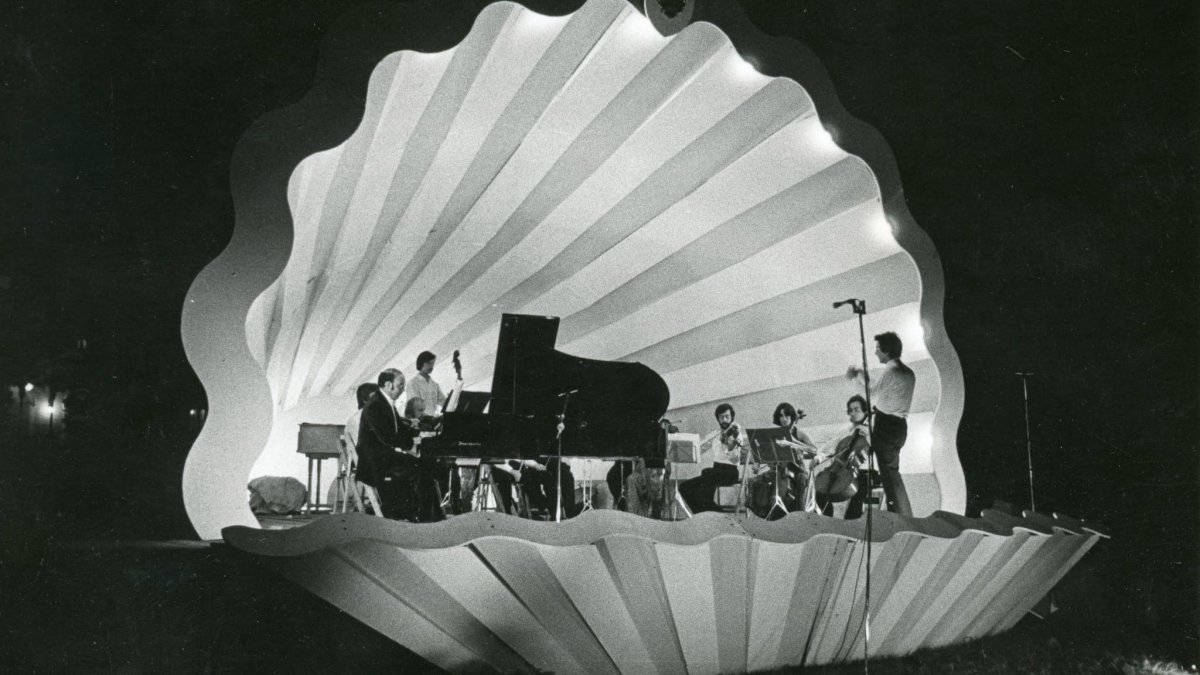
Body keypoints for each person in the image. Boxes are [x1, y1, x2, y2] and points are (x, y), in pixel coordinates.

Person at [358, 368, 442, 522]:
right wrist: (413, 444)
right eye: (401, 385)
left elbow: (400, 430)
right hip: (375, 462)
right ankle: (427, 519)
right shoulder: (376, 405)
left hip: (382, 457)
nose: (403, 389)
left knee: (423, 465)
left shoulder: (384, 402)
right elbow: (388, 438)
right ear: (389, 385)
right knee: (421, 468)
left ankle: (429, 516)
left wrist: (418, 437)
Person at [846, 331, 914, 516]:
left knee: (889, 477)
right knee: (893, 474)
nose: (875, 353)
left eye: (877, 349)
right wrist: (863, 375)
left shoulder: (890, 371)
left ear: (886, 350)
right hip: (900, 427)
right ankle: (902, 515)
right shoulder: (907, 373)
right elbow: (881, 389)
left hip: (886, 426)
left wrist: (855, 378)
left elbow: (872, 395)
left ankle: (900, 517)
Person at [678, 403, 746, 513]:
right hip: (716, 471)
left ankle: (712, 511)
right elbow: (699, 450)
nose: (724, 420)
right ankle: (703, 512)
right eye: (721, 417)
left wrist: (729, 448)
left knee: (707, 474)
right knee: (684, 487)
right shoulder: (715, 434)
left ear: (732, 418)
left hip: (730, 472)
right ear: (718, 419)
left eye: (727, 417)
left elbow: (735, 460)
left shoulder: (736, 435)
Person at [814, 395, 871, 518]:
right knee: (820, 489)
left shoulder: (871, 431)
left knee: (859, 491)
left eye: (856, 409)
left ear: (865, 412)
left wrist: (868, 434)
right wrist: (819, 456)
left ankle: (851, 526)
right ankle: (826, 521)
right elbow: (827, 447)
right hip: (839, 469)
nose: (853, 413)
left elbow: (880, 447)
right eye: (850, 410)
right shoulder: (846, 431)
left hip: (863, 472)